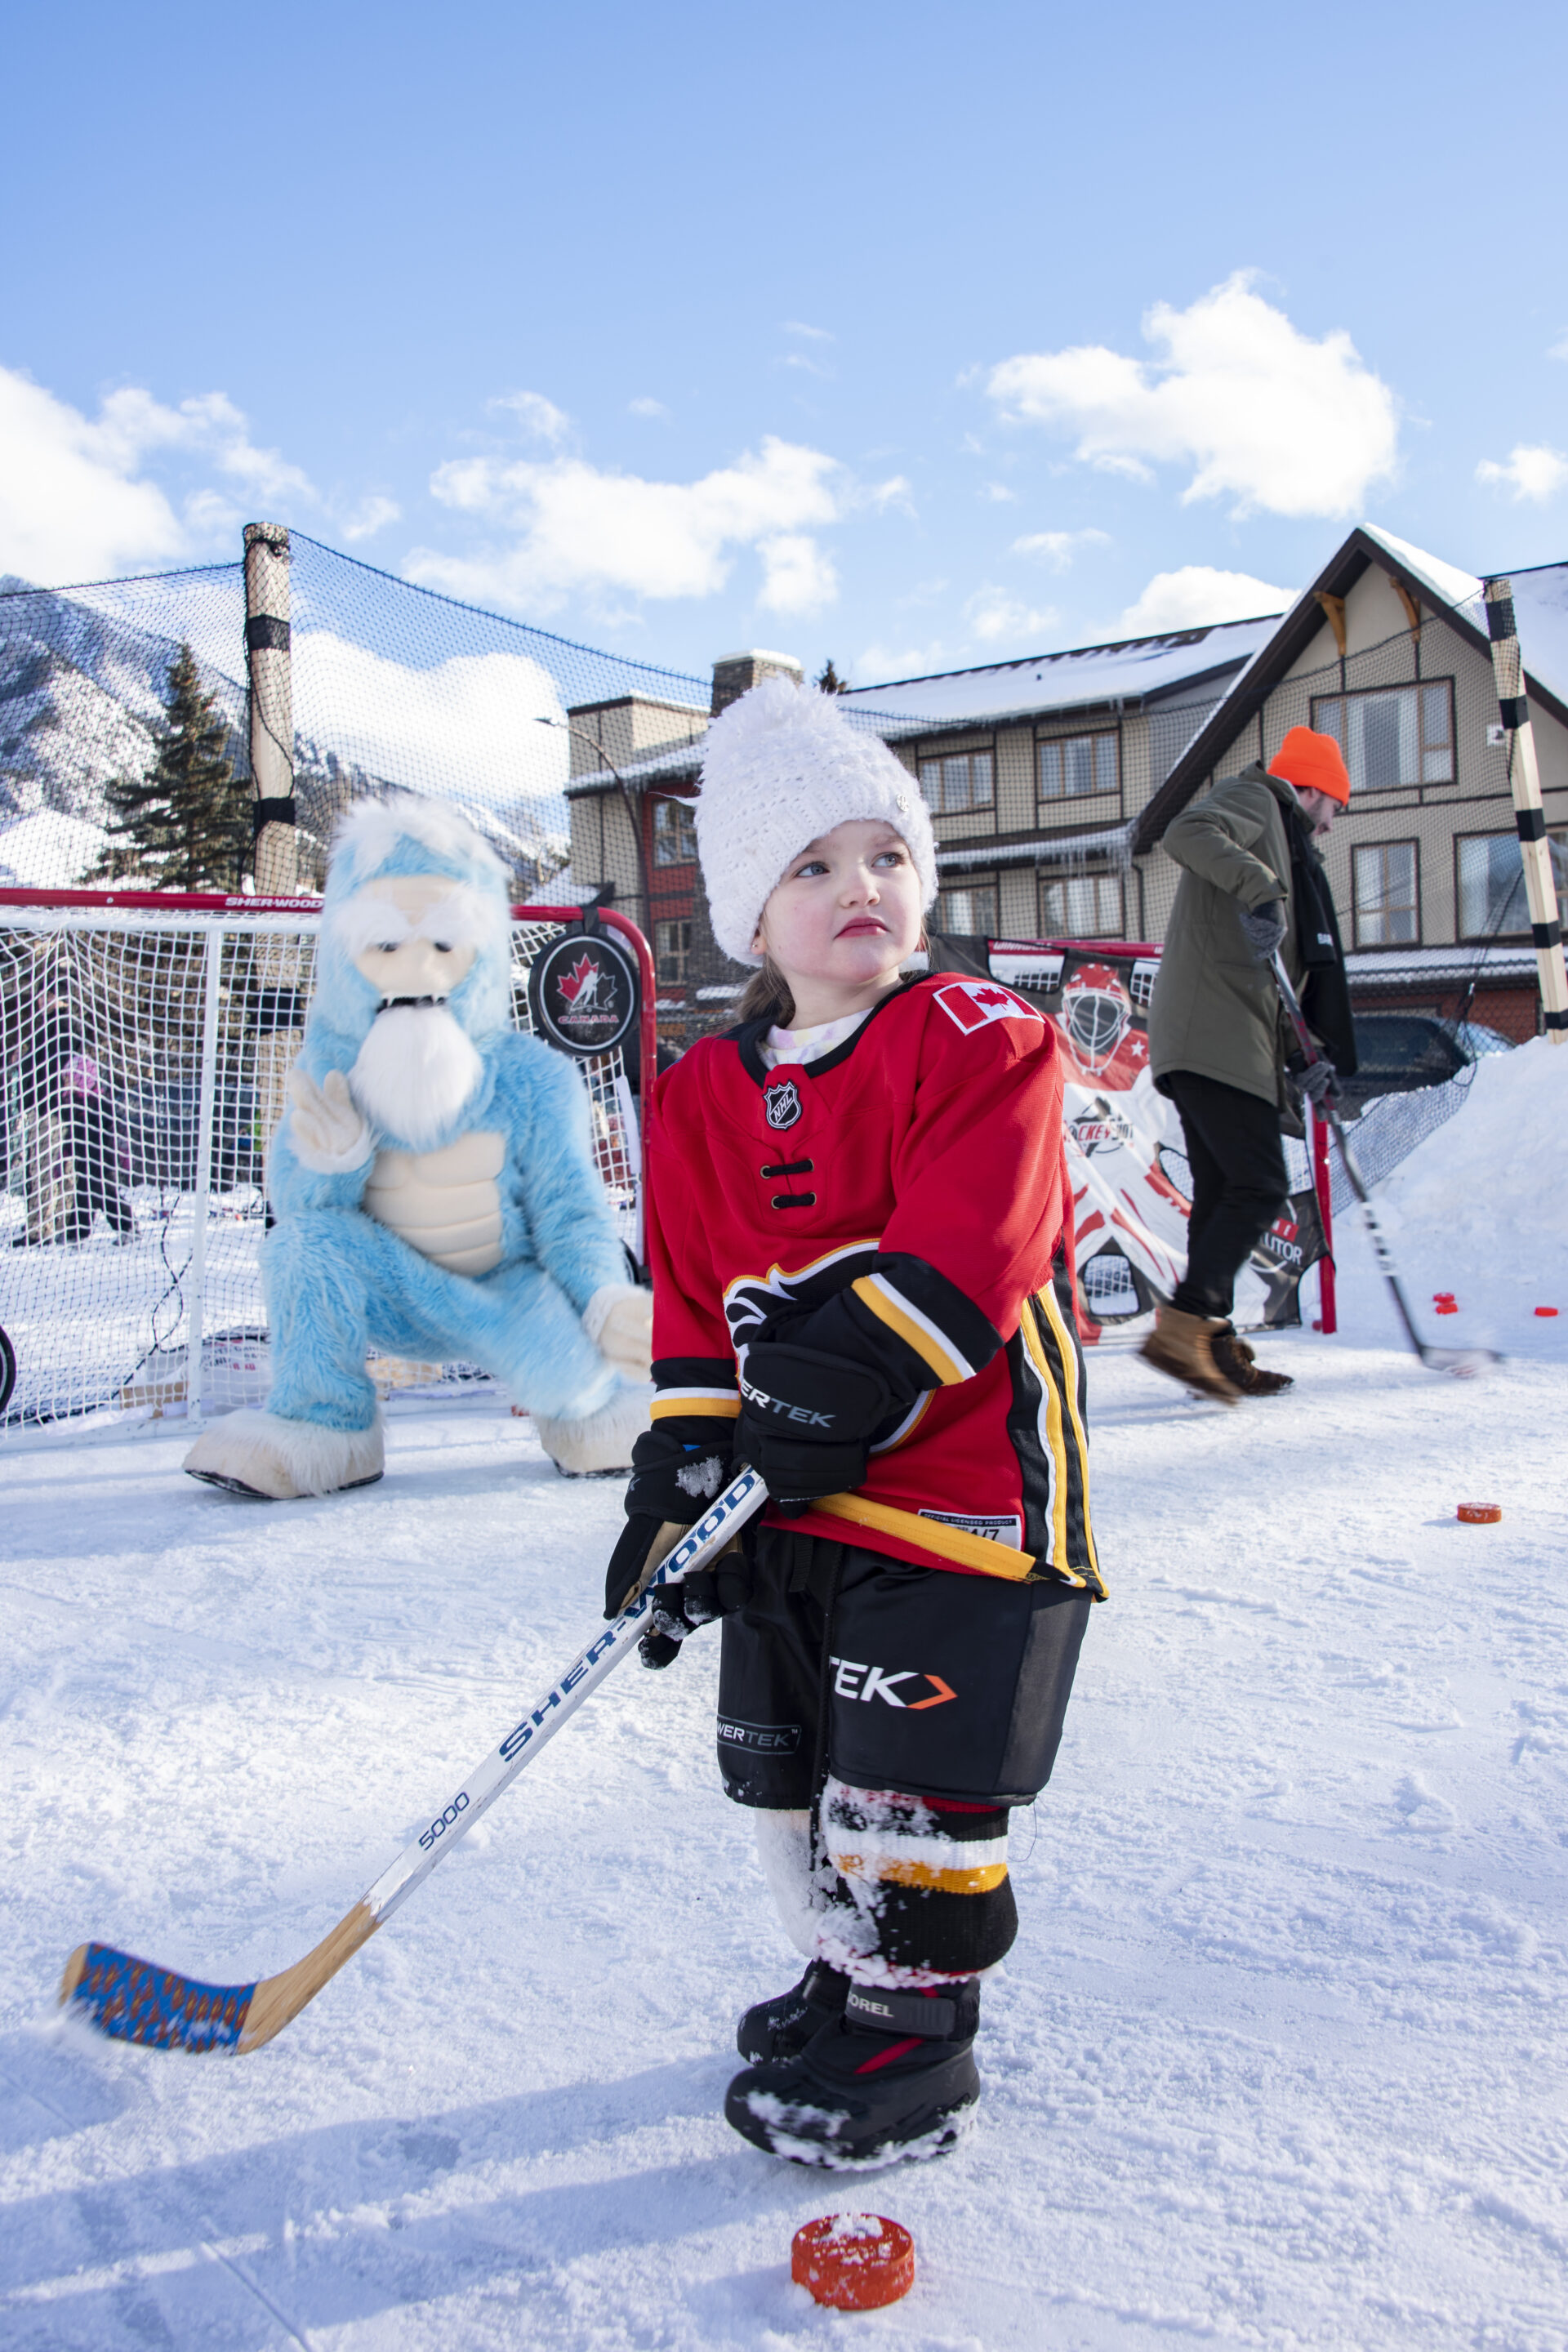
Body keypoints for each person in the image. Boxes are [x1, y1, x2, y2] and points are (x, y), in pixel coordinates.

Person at [604, 677, 1102, 2171]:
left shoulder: (979, 1034)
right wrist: (679, 1482)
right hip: (793, 1495)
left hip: (964, 1491)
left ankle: (914, 2031)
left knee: (910, 1768)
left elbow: (974, 1249)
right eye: (812, 866)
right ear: (751, 922)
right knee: (797, 1754)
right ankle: (846, 1967)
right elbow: (698, 1309)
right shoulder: (700, 1093)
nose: (860, 886)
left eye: (886, 854)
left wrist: (838, 1377)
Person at [1143, 725, 1357, 1403]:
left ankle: (1209, 1345)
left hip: (1226, 1032)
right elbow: (1185, 831)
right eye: (1335, 807)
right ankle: (1184, 1331)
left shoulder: (1286, 843)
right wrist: (1262, 888)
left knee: (1223, 1191)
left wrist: (1304, 1058)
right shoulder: (1258, 800)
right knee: (1260, 1184)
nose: (1331, 825)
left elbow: (1276, 984)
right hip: (1214, 1029)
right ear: (1313, 789)